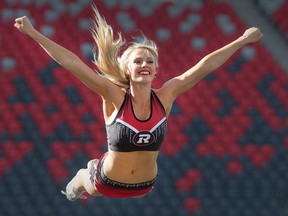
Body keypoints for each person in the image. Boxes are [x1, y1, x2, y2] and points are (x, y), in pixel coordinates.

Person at [14, 5, 263, 201]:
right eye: (138, 61)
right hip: (105, 182)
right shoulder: (113, 95)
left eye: (150, 62)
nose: (145, 65)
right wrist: (34, 33)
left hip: (144, 187)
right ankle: (82, 177)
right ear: (127, 69)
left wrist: (241, 40)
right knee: (81, 185)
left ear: (156, 70)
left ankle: (93, 165)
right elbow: (72, 64)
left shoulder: (166, 95)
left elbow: (205, 66)